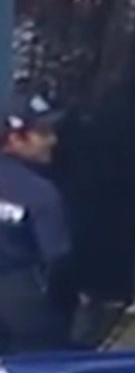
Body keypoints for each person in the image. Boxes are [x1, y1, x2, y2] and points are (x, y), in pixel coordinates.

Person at [0, 92, 69, 351]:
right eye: (43, 133)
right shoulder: (39, 193)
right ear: (15, 138)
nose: (53, 140)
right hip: (20, 309)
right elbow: (57, 261)